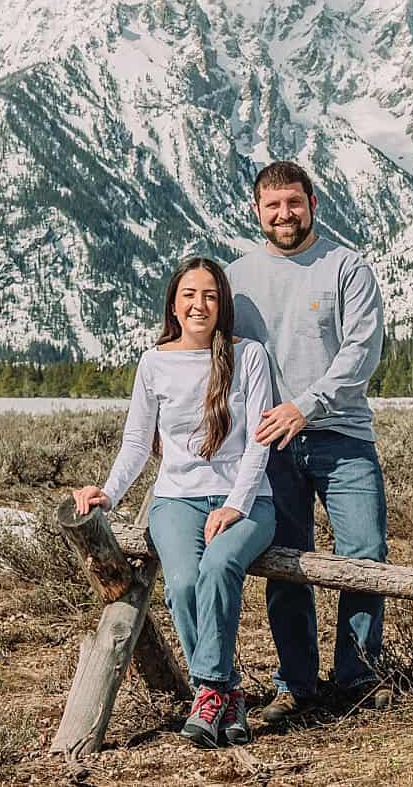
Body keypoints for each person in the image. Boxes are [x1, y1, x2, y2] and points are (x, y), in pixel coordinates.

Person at [71, 256, 276, 748]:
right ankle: (224, 692)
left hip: (248, 501)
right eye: (189, 294)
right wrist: (110, 492)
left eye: (209, 294)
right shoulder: (155, 361)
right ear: (174, 304)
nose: (199, 304)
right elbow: (138, 442)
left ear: (221, 303)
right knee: (183, 582)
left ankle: (208, 692)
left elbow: (259, 442)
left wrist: (236, 505)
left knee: (220, 567)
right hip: (176, 500)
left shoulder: (248, 356)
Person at [227, 161, 389, 725]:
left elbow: (361, 352)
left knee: (364, 557)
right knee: (285, 566)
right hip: (269, 446)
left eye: (293, 202)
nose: (284, 214)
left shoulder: (346, 268)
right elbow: (219, 358)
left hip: (341, 436)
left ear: (312, 202)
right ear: (257, 211)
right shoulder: (237, 278)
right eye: (272, 206)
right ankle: (297, 684)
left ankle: (358, 679)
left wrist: (306, 406)